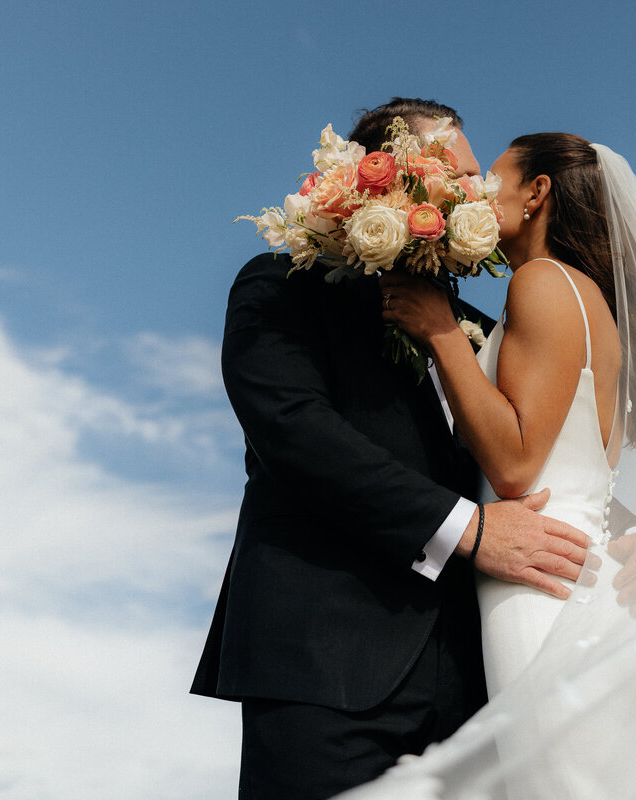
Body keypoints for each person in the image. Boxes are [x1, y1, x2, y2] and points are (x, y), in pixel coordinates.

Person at [361, 133, 636, 799]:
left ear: (537, 194)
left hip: (546, 581)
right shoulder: (584, 297)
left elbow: (515, 465)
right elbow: (585, 471)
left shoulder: (544, 282)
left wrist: (443, 334)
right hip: (584, 573)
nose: (477, 192)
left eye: (495, 177)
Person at [190, 100, 595, 800]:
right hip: (326, 662)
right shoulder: (281, 285)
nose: (476, 192)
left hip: (478, 681)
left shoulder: (483, 329)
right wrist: (468, 529)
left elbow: (556, 447)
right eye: (456, 174)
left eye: (479, 178)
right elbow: (294, 430)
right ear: (386, 177)